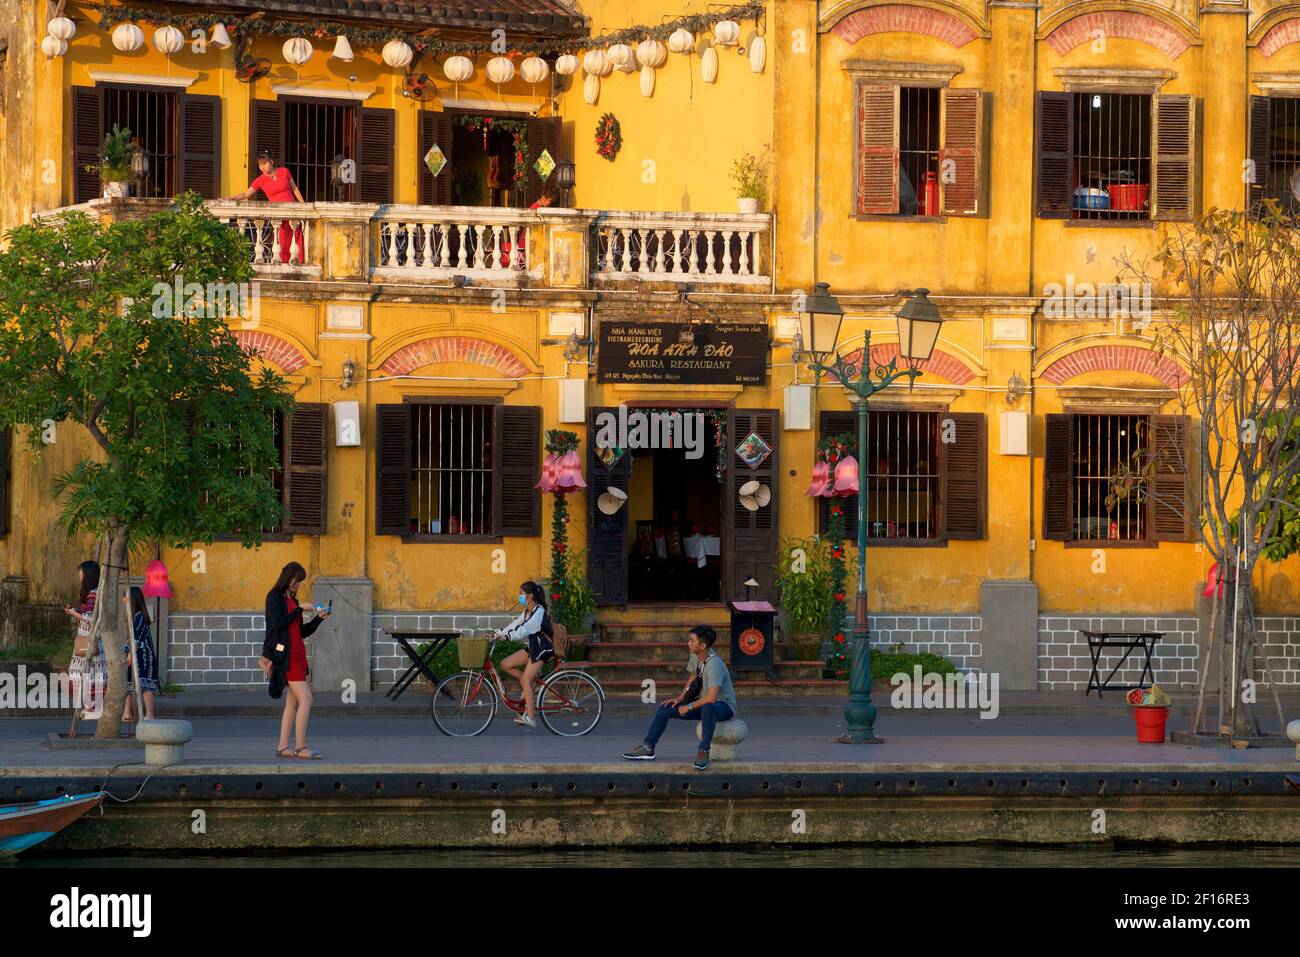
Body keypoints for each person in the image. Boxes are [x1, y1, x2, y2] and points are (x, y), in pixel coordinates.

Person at [623, 625, 737, 770]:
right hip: (703, 704)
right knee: (665, 708)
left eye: (692, 640)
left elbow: (712, 698)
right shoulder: (697, 655)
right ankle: (648, 747)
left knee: (708, 707)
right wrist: (680, 699)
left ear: (702, 645)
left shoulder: (715, 665)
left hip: (723, 706)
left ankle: (703, 751)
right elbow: (694, 675)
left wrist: (689, 706)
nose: (688, 643)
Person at [263, 561, 331, 759]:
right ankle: (301, 748)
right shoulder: (274, 597)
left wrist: (319, 619)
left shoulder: (292, 599)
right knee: (307, 698)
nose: (298, 585)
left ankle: (283, 747)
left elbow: (300, 631)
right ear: (288, 577)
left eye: (300, 582)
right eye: (297, 580)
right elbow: (277, 624)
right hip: (288, 656)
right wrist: (299, 609)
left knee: (292, 703)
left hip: (299, 654)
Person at [222, 151, 306, 264]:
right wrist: (230, 198)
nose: (262, 167)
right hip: (278, 217)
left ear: (271, 162)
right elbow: (246, 194)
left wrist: (303, 205)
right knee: (282, 243)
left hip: (293, 214)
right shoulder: (260, 180)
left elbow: (294, 188)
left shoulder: (284, 171)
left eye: (265, 163)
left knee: (296, 242)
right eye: (260, 164)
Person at [494, 581, 553, 729]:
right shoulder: (527, 611)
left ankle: (531, 717)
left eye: (521, 594)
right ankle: (530, 686)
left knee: (525, 681)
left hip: (543, 649)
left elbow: (525, 629)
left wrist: (508, 637)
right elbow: (515, 624)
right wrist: (498, 634)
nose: (519, 596)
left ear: (530, 595)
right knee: (505, 664)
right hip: (534, 647)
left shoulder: (538, 611)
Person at [63, 560, 102, 714]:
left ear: (87, 575)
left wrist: (74, 613)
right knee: (86, 670)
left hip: (88, 637)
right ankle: (89, 703)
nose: (79, 575)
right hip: (84, 637)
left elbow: (91, 618)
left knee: (79, 670)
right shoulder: (93, 593)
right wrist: (75, 612)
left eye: (81, 572)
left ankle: (89, 703)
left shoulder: (94, 594)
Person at [122, 587, 159, 722]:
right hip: (134, 653)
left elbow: (135, 638)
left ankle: (149, 715)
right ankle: (127, 714)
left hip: (142, 656)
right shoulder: (134, 616)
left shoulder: (139, 617)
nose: (123, 600)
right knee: (128, 683)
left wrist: (130, 654)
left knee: (145, 685)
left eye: (125, 597)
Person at [499, 186, 556, 267]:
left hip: (528, 243)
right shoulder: (535, 209)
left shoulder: (536, 207)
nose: (550, 203)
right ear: (543, 198)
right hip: (527, 244)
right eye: (549, 201)